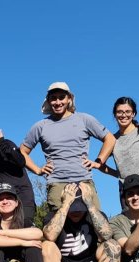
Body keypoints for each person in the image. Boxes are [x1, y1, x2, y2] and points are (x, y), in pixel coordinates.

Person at [20, 82, 116, 212]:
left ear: (69, 99)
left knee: (96, 225)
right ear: (48, 101)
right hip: (56, 183)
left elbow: (109, 139)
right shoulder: (41, 126)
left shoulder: (84, 119)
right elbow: (22, 151)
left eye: (61, 97)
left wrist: (99, 162)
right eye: (53, 98)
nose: (57, 102)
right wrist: (38, 170)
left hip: (84, 181)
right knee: (58, 227)